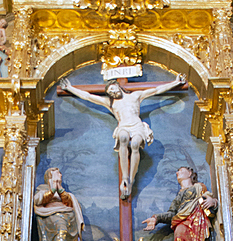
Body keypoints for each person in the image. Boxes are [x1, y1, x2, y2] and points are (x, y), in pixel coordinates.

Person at [58, 72, 186, 199]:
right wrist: (69, 88)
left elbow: (156, 90)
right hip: (123, 126)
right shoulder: (110, 103)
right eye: (110, 92)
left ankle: (131, 178)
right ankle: (125, 177)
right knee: (123, 139)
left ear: (118, 86)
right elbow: (88, 96)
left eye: (113, 89)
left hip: (137, 125)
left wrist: (175, 82)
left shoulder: (136, 96)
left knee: (135, 145)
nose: (113, 93)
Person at [143, 166, 220, 241]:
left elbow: (206, 199)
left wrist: (213, 202)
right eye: (177, 171)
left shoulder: (199, 187)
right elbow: (171, 214)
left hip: (198, 220)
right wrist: (156, 218)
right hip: (182, 221)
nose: (177, 173)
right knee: (179, 236)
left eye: (181, 170)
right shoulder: (178, 197)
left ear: (189, 173)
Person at [33, 167, 84, 241]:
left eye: (60, 173)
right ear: (49, 177)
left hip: (68, 216)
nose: (60, 175)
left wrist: (60, 189)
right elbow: (38, 200)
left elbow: (69, 202)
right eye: (57, 173)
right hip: (49, 216)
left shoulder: (64, 192)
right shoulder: (42, 189)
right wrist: (52, 190)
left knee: (65, 235)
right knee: (61, 231)